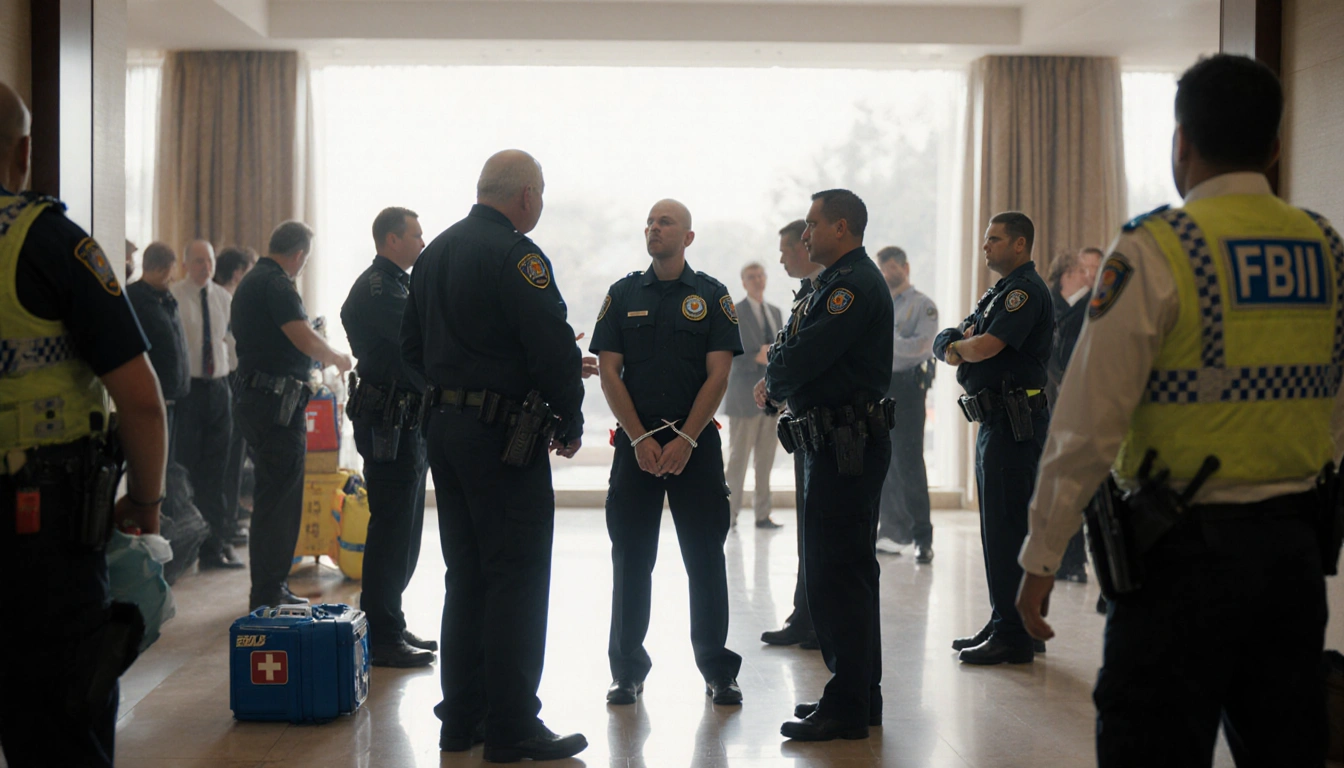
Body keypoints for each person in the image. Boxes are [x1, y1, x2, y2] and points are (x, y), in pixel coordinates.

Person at [1016, 54, 1340, 767]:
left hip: (1181, 560)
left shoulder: (1158, 249)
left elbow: (1087, 423)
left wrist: (1043, 555)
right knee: (1288, 747)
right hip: (1295, 553)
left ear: (1181, 142)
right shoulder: (1325, 248)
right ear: (1276, 146)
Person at [0, 80, 167, 768]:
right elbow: (141, 400)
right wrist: (148, 505)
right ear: (25, 151)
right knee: (62, 705)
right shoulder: (46, 239)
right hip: (40, 520)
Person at [401, 150, 587, 762]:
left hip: (445, 433)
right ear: (526, 196)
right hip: (503, 440)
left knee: (468, 576)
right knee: (517, 577)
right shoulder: (518, 254)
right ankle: (512, 726)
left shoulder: (433, 254)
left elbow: (408, 347)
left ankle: (462, 720)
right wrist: (570, 416)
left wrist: (455, 387)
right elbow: (552, 347)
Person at [591, 198, 744, 709]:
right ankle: (626, 673)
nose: (654, 229)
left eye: (666, 222)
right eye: (651, 222)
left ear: (688, 237)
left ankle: (718, 671)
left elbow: (719, 373)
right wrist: (637, 438)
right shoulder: (622, 294)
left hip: (694, 448)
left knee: (704, 561)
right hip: (635, 449)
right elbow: (609, 371)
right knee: (631, 561)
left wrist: (687, 439)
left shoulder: (712, 295)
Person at [760, 190, 891, 741]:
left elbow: (805, 353)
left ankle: (850, 704)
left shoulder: (853, 285)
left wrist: (774, 378)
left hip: (847, 444)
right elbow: (795, 346)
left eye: (813, 225)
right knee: (836, 573)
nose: (805, 234)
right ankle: (858, 695)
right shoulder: (828, 285)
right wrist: (779, 373)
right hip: (827, 442)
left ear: (842, 227)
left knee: (840, 574)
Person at [933, 211, 1053, 665]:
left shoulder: (1024, 292)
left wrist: (955, 347)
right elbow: (961, 333)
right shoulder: (1000, 292)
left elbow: (983, 346)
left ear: (1020, 245)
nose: (986, 246)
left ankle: (1015, 635)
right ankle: (1008, 620)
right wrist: (954, 340)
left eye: (995, 239)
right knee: (997, 531)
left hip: (1014, 424)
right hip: (997, 421)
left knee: (1007, 531)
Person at [232, 221, 352, 611]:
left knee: (270, 498)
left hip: (257, 399)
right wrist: (335, 356)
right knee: (279, 502)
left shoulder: (253, 280)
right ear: (299, 255)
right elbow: (301, 335)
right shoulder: (278, 284)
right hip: (276, 406)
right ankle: (268, 591)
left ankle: (266, 587)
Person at [341, 206, 436, 668]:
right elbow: (422, 340)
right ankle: (380, 634)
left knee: (406, 528)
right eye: (415, 235)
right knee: (391, 528)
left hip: (407, 420)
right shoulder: (380, 289)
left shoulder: (398, 284)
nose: (422, 241)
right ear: (391, 240)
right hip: (387, 422)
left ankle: (390, 621)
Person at [759, 219, 821, 650]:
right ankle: (805, 615)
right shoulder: (807, 294)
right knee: (807, 532)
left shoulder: (831, 292)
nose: (781, 258)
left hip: (831, 431)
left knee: (821, 535)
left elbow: (804, 358)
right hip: (806, 427)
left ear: (805, 245)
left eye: (786, 249)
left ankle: (817, 621)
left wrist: (774, 385)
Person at [172, 239, 241, 569]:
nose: (206, 266)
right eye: (198, 260)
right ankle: (187, 546)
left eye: (209, 260)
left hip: (219, 389)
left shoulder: (223, 297)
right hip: (189, 391)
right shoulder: (174, 296)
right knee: (188, 469)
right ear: (186, 264)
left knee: (218, 472)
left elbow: (230, 343)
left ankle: (215, 547)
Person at [874, 246, 938, 564]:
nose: (886, 273)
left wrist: (885, 346)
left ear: (905, 267)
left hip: (909, 391)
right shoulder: (879, 305)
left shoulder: (922, 306)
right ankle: (892, 531)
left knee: (910, 463)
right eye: (881, 267)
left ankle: (922, 537)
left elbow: (921, 348)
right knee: (883, 462)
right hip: (881, 388)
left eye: (890, 267)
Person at [1043, 246, 1103, 584]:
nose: (1090, 275)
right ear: (1069, 273)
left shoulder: (1092, 307)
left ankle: (1075, 559)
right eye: (1084, 269)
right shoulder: (1045, 303)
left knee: (1074, 484)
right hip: (1046, 403)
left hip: (1078, 404)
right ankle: (1055, 558)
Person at [723, 262, 783, 530]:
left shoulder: (775, 312)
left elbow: (779, 352)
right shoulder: (734, 312)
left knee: (766, 460)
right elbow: (736, 354)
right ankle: (729, 514)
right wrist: (761, 353)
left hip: (771, 399)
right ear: (743, 282)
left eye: (761, 275)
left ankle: (762, 514)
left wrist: (764, 352)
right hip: (743, 398)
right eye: (751, 277)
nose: (757, 280)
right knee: (738, 461)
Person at [127, 242, 190, 452]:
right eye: (171, 271)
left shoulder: (166, 298)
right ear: (161, 269)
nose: (173, 277)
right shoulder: (134, 299)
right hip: (152, 397)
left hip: (172, 396)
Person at [215, 245, 258, 547]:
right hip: (227, 380)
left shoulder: (230, 298)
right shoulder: (223, 299)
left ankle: (231, 515)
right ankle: (225, 522)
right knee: (230, 457)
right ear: (238, 271)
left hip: (233, 378)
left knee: (237, 455)